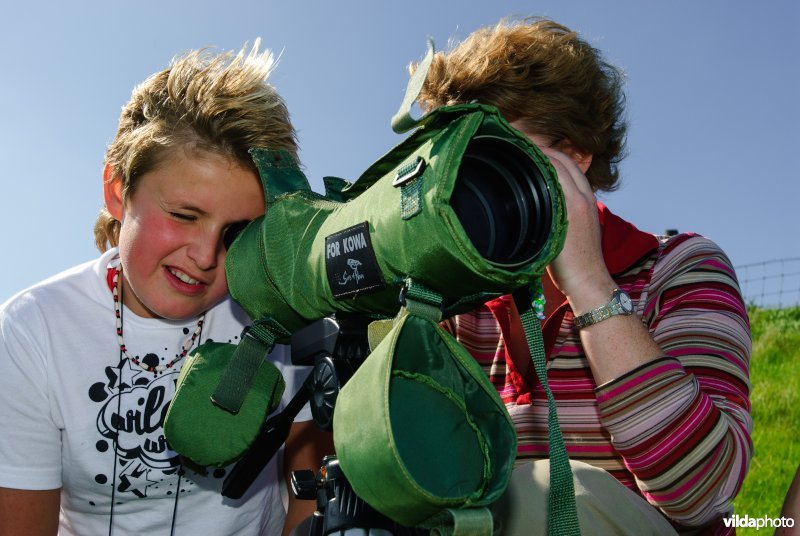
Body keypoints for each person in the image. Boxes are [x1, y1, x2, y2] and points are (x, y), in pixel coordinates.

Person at [417, 18, 752, 535]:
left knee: (540, 496)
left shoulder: (679, 268)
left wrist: (590, 284)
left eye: (490, 156)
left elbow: (702, 494)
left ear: (573, 157)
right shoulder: (457, 304)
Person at [0, 41, 330, 536]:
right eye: (183, 215)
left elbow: (312, 494)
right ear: (118, 191)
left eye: (237, 232)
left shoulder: (282, 314)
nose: (206, 255)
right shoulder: (32, 332)